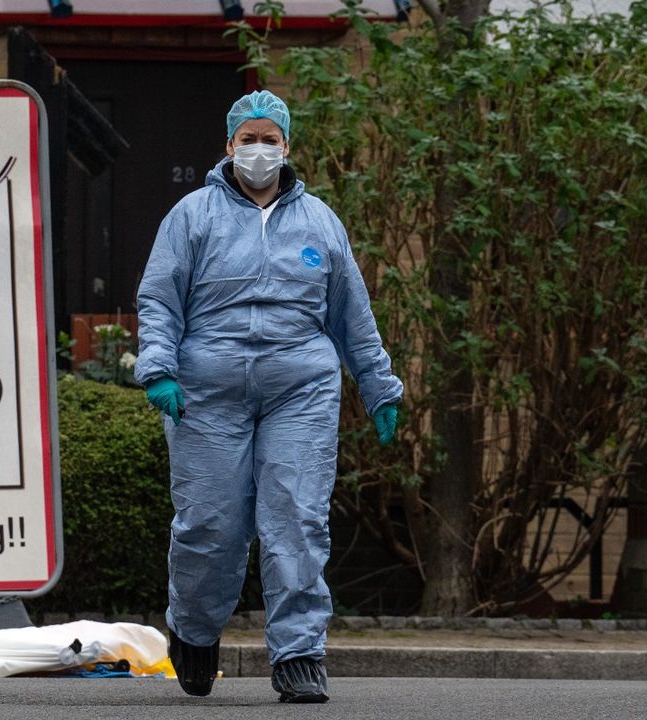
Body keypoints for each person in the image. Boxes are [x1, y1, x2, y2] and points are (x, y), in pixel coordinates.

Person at [134, 90, 403, 703]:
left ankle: (300, 653)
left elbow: (351, 316)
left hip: (300, 390)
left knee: (296, 520)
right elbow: (159, 299)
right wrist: (159, 370)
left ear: (287, 146)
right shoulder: (193, 215)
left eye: (270, 138)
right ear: (229, 146)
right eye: (248, 138)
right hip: (208, 390)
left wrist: (378, 385)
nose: (259, 148)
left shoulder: (321, 223)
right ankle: (196, 632)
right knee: (210, 526)